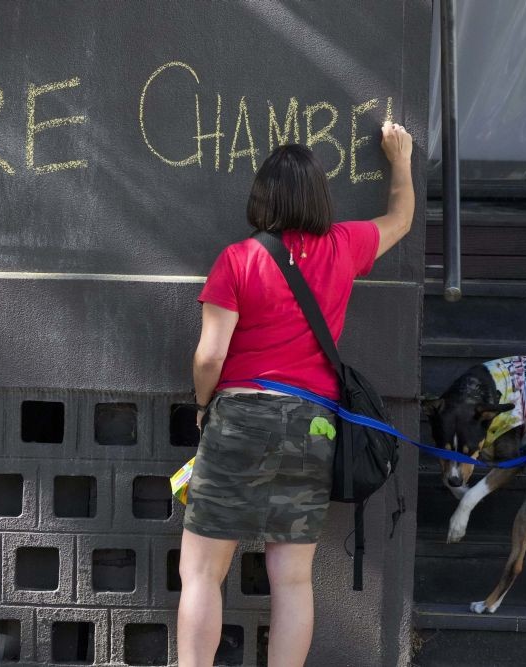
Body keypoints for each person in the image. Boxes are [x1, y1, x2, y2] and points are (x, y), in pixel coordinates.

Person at [176, 122, 414, 667]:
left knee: (201, 573)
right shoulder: (345, 246)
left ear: (262, 197)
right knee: (292, 580)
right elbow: (400, 218)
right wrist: (399, 159)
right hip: (314, 426)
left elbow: (210, 355)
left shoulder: (237, 260)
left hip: (241, 418)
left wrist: (202, 402)